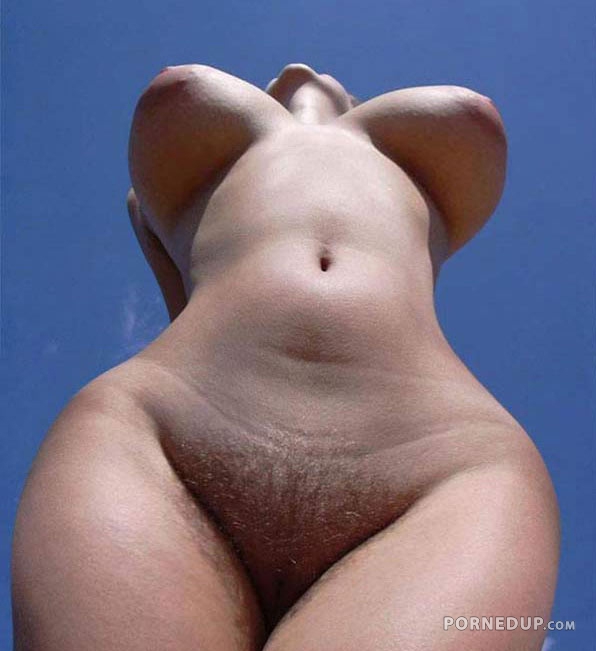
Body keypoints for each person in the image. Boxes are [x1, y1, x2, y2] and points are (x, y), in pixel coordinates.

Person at [11, 62, 559, 651]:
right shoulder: (160, 189)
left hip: (443, 463)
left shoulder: (402, 140)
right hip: (167, 429)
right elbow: (178, 297)